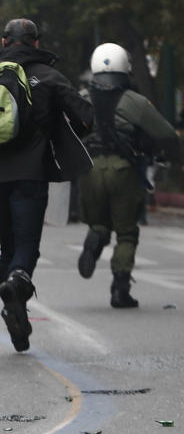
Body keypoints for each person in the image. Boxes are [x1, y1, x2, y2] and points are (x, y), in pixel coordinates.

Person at [0, 18, 93, 352]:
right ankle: (18, 281)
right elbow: (86, 117)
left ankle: (16, 317)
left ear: (3, 41)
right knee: (26, 245)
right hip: (31, 172)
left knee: (6, 246)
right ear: (36, 43)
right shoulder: (49, 76)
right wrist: (57, 136)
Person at [76, 43, 182, 307]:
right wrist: (177, 161)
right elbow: (167, 134)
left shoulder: (80, 98)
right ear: (126, 68)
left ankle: (97, 234)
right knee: (126, 232)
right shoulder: (135, 102)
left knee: (99, 221)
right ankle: (119, 289)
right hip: (123, 170)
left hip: (89, 169)